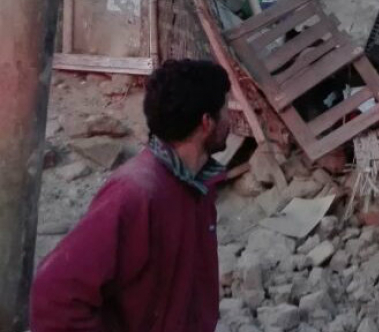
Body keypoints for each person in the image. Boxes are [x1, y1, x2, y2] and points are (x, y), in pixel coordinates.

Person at [31, 59, 232, 332]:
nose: (229, 119)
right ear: (207, 122)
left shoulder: (197, 187)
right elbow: (52, 294)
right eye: (225, 110)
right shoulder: (136, 195)